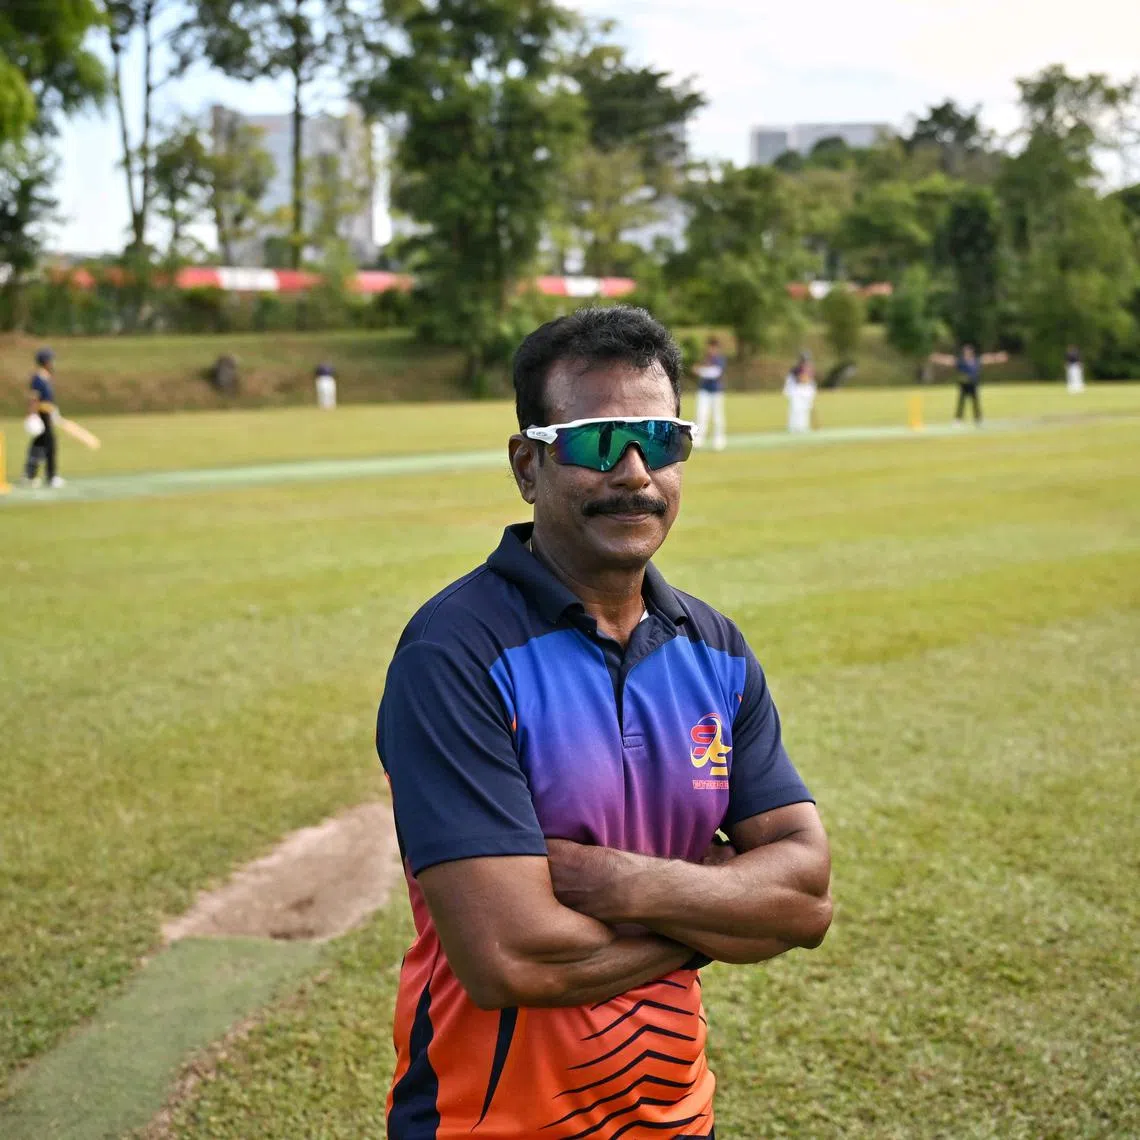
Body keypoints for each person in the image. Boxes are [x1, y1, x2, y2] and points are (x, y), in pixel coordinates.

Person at [376, 306, 832, 1139]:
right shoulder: (454, 654)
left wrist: (616, 882)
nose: (634, 474)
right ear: (528, 463)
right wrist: (724, 911)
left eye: (660, 441)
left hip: (679, 1118)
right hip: (487, 1125)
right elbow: (511, 957)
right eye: (593, 441)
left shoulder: (716, 649)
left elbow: (804, 897)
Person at [929, 344, 1009, 426]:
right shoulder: (961, 362)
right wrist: (937, 358)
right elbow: (949, 360)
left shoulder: (976, 360)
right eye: (966, 352)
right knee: (961, 402)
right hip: (964, 385)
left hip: (973, 384)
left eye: (969, 351)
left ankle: (978, 419)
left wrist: (999, 357)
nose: (967, 353)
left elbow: (987, 358)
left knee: (975, 402)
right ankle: (958, 419)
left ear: (972, 352)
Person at [23, 347, 65, 488]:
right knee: (49, 444)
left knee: (39, 444)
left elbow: (48, 399)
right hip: (41, 415)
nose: (53, 363)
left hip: (47, 413)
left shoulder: (46, 377)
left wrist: (54, 411)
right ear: (45, 361)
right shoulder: (38, 378)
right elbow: (34, 398)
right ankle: (51, 476)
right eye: (51, 360)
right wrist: (32, 415)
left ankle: (30, 475)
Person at [692, 335, 727, 450]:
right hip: (704, 390)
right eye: (709, 347)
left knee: (717, 416)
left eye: (713, 347)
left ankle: (719, 439)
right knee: (701, 415)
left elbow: (715, 373)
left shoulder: (720, 359)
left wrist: (700, 371)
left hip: (716, 391)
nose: (710, 349)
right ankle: (699, 439)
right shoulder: (706, 358)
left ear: (716, 348)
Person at [783, 351, 817, 433]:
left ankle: (803, 427)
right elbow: (800, 379)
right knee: (796, 409)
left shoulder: (809, 368)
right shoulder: (796, 369)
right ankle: (793, 427)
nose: (806, 362)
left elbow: (810, 380)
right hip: (796, 390)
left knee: (804, 409)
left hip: (806, 391)